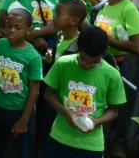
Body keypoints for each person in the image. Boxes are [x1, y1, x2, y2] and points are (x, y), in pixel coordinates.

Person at [42, 27, 126, 157]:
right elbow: (48, 94)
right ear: (77, 48)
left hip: (90, 145)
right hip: (59, 137)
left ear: (103, 53)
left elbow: (114, 111)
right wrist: (66, 113)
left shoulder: (112, 75)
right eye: (83, 59)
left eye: (94, 62)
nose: (87, 65)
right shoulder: (63, 64)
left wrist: (96, 122)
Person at [0, 8, 43, 158]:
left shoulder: (33, 57)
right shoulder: (0, 44)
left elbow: (35, 91)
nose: (12, 30)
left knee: (22, 149)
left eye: (18, 28)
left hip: (19, 110)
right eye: (9, 26)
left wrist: (23, 120)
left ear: (28, 30)